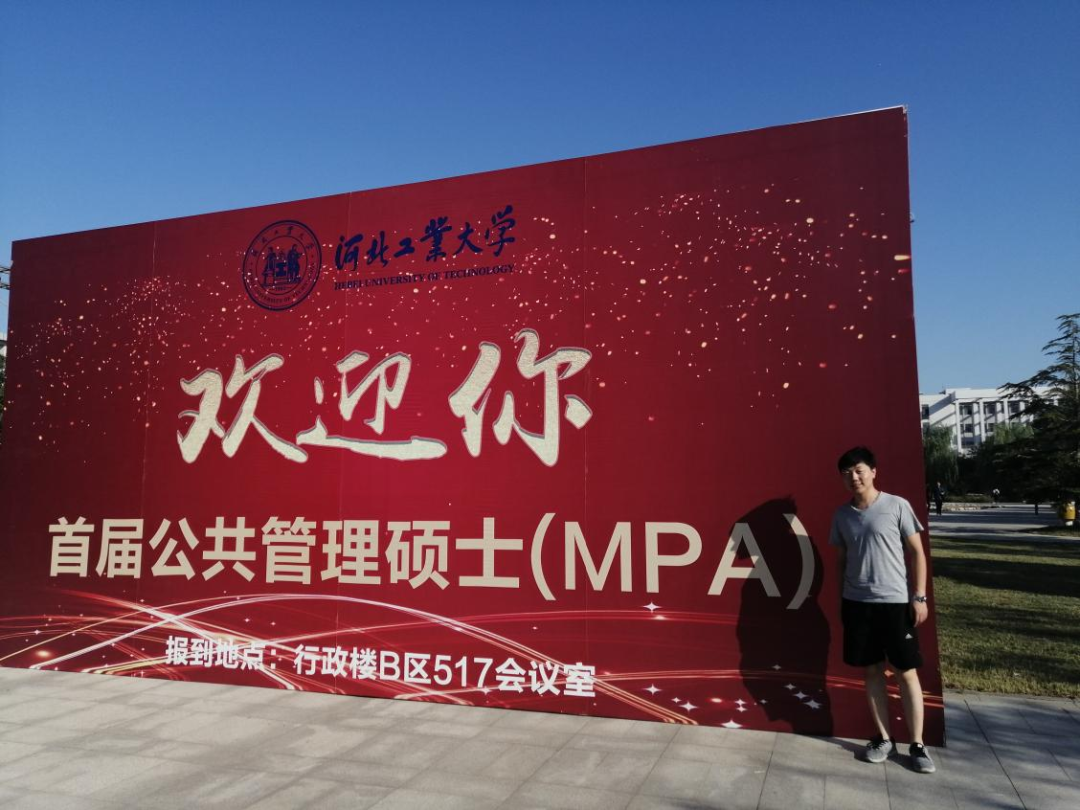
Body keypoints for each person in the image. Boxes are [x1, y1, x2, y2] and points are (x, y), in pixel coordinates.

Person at [830, 446, 936, 774]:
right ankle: (884, 738)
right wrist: (842, 599)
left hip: (895, 603)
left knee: (906, 672)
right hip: (857, 604)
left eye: (859, 470)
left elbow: (917, 553)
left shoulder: (896, 506)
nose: (854, 477)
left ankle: (917, 744)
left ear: (873, 471)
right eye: (847, 473)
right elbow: (841, 561)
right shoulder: (842, 515)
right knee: (872, 671)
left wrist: (919, 597)